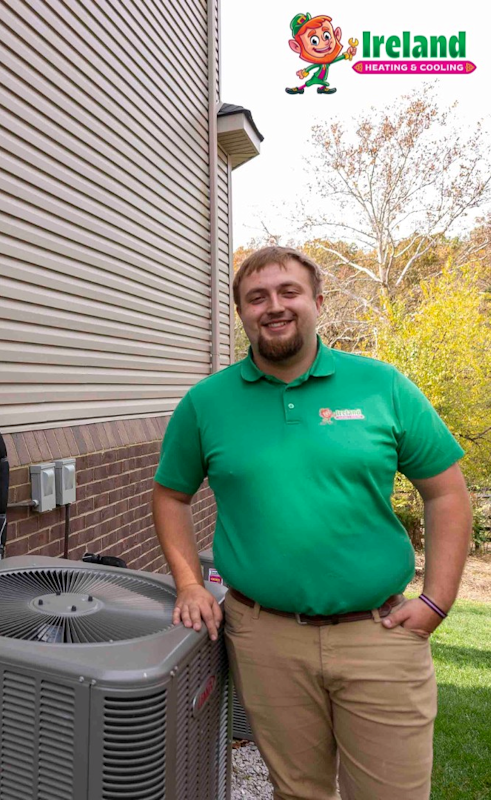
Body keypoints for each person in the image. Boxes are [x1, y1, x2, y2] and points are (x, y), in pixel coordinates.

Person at [153, 246, 471, 800]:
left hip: (381, 633)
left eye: (288, 292)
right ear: (242, 313)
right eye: (257, 298)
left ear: (318, 302)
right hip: (263, 636)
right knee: (298, 793)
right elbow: (170, 496)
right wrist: (187, 582)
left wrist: (437, 600)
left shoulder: (382, 387)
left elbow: (445, 493)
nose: (273, 307)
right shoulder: (206, 403)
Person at [285, 12, 357, 95]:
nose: (325, 42)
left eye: (327, 36)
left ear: (336, 35)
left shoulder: (327, 62)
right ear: (297, 47)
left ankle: (321, 89)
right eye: (314, 41)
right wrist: (304, 72)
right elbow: (312, 66)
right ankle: (299, 89)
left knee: (323, 82)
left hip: (322, 77)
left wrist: (347, 54)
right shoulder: (320, 63)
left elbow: (337, 58)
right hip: (316, 77)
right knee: (309, 83)